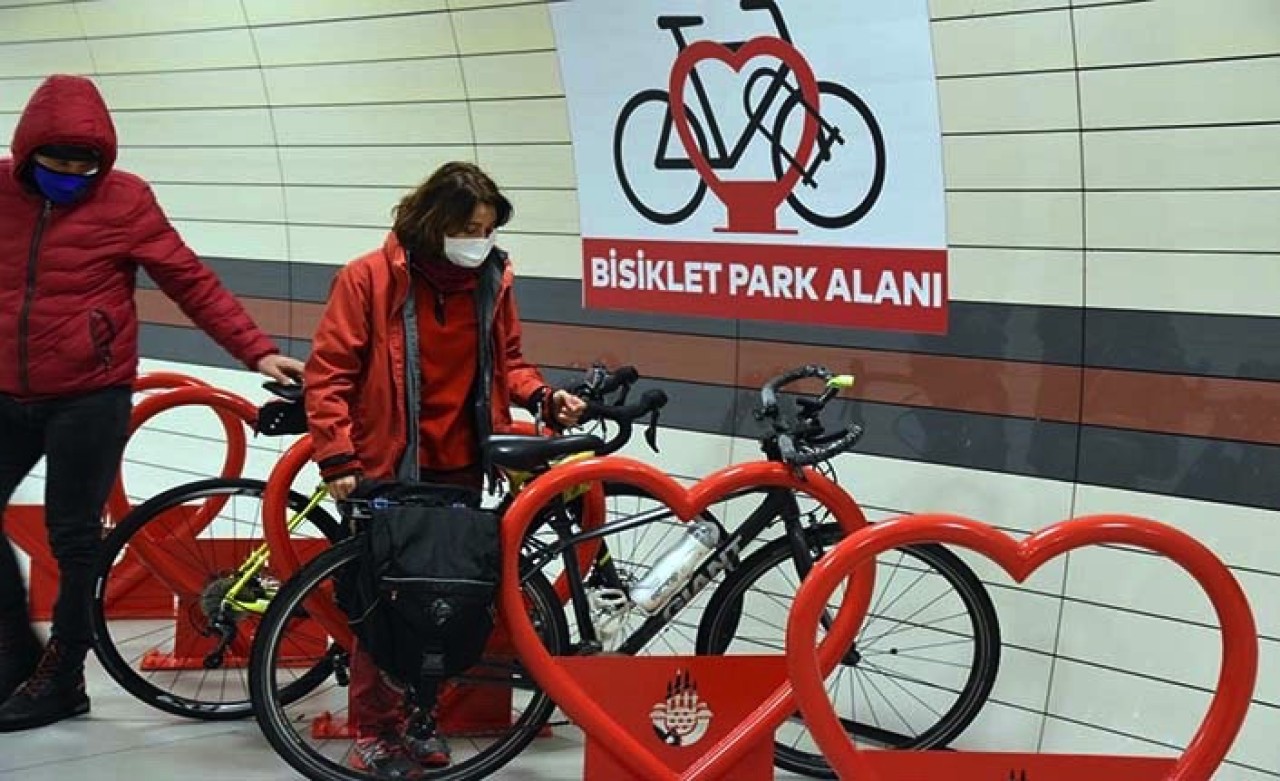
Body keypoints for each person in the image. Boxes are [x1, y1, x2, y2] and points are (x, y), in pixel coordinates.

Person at [0, 74, 305, 732]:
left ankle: (62, 675)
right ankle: (12, 655)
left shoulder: (126, 199)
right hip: (4, 390)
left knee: (74, 535)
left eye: (85, 166)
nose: (72, 177)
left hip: (90, 392)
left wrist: (254, 351)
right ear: (26, 155)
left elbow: (189, 279)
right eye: (57, 165)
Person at [304, 161, 585, 775]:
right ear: (435, 224)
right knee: (386, 607)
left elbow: (508, 361)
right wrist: (336, 455)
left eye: (486, 228)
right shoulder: (368, 279)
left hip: (459, 465)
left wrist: (542, 396)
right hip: (384, 466)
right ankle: (375, 731)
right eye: (468, 227)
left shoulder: (491, 280)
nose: (477, 240)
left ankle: (422, 720)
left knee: (445, 605)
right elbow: (329, 374)